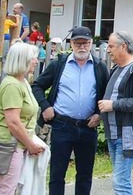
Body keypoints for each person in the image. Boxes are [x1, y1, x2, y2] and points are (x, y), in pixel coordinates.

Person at [31, 25, 109, 195]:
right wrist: (45, 107)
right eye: (78, 43)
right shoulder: (59, 64)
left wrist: (99, 114)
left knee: (85, 174)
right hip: (62, 126)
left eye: (85, 43)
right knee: (57, 174)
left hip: (88, 127)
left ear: (91, 44)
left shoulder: (100, 67)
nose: (82, 47)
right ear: (71, 44)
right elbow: (37, 85)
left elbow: (107, 96)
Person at [98, 31, 133, 195]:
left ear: (124, 47)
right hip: (113, 134)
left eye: (111, 46)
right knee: (119, 179)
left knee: (120, 182)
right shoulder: (116, 69)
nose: (107, 50)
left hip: (127, 134)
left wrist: (113, 105)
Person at [0, 43, 47, 193]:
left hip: (18, 145)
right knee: (7, 188)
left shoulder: (23, 82)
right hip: (9, 146)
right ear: (22, 60)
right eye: (33, 58)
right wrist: (30, 145)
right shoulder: (12, 85)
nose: (36, 61)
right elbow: (13, 122)